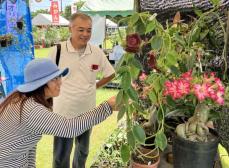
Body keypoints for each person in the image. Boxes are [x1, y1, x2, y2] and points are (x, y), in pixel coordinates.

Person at [0, 58, 116, 168]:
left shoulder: (23, 99)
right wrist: (107, 106)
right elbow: (69, 128)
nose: (60, 82)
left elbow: (29, 144)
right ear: (40, 84)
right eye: (54, 79)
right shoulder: (31, 110)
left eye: (59, 76)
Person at [48, 12, 115, 168]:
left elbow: (110, 74)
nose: (85, 34)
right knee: (60, 156)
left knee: (82, 152)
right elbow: (46, 79)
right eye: (81, 30)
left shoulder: (96, 52)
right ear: (70, 29)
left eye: (89, 30)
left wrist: (95, 85)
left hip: (87, 112)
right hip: (63, 114)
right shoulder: (57, 51)